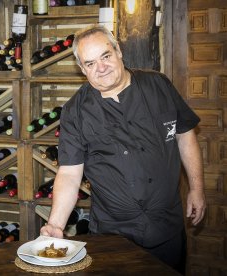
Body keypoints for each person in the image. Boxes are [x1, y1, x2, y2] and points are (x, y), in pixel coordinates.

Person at [40, 25, 206, 274]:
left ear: (118, 51)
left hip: (166, 228)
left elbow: (185, 135)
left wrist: (197, 187)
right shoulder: (75, 110)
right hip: (112, 236)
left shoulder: (158, 85)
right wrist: (54, 224)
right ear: (82, 69)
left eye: (105, 56)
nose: (101, 68)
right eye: (90, 63)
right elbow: (69, 173)